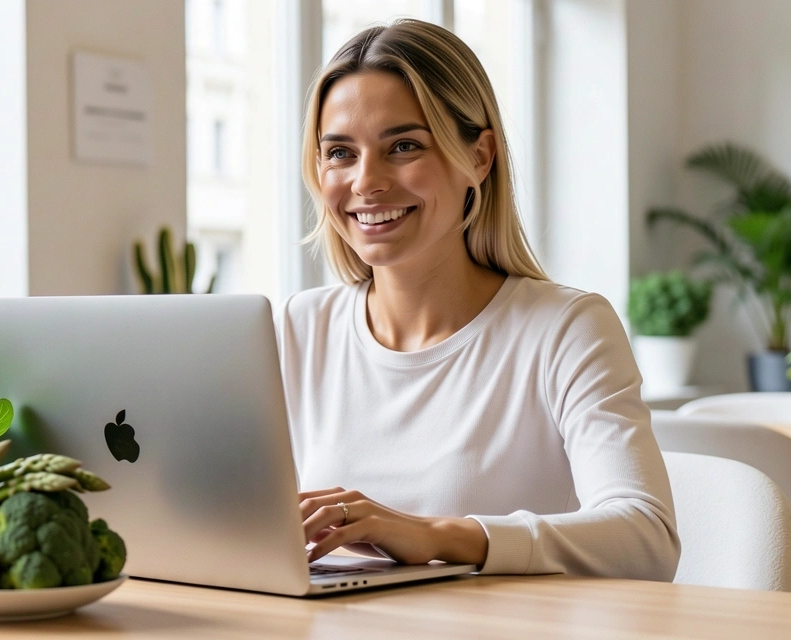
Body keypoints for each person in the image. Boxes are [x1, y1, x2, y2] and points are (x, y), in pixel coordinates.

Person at [280, 19, 677, 581]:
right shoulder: (301, 326)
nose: (366, 182)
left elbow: (647, 539)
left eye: (404, 146)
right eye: (340, 153)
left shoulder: (566, 328)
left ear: (480, 158)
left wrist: (433, 535)